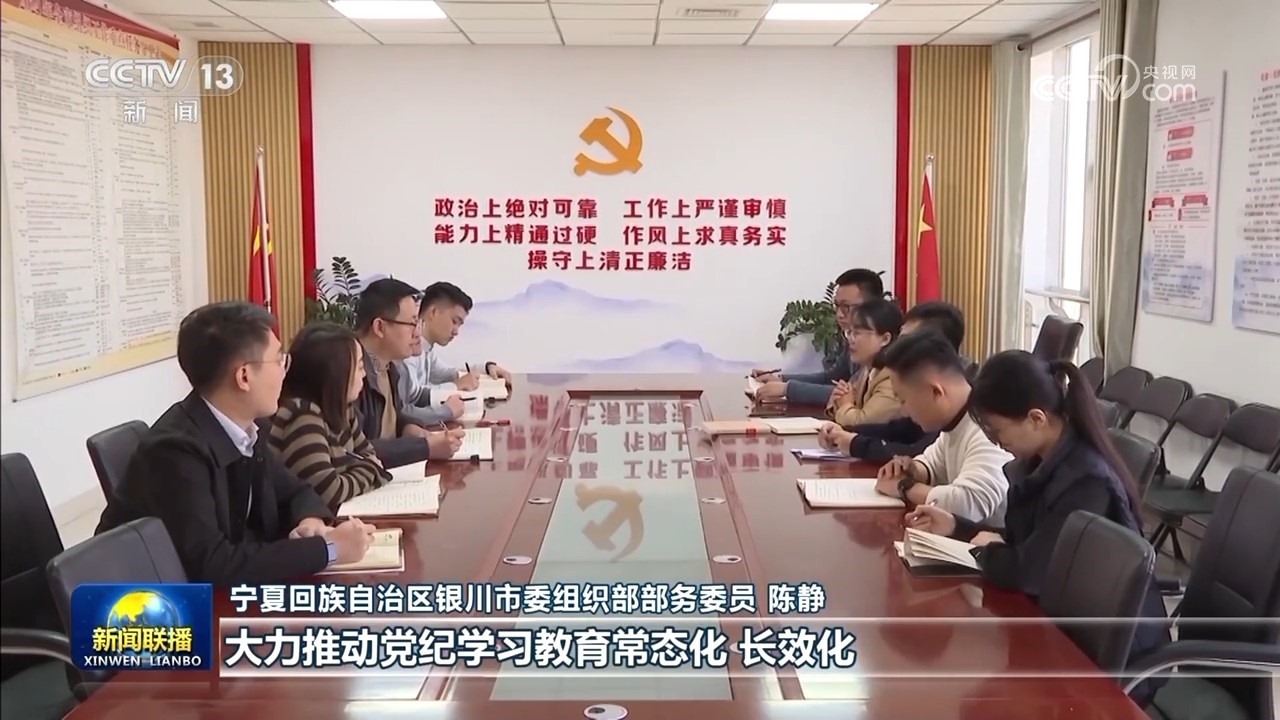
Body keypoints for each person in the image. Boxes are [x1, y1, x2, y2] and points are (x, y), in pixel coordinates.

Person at [905, 350, 1169, 698]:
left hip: (1109, 662)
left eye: (998, 431)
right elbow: (1032, 541)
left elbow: (1028, 571)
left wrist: (985, 552)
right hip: (1063, 628)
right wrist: (956, 527)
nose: (997, 443)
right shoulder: (1043, 461)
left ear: (1036, 419)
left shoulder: (1085, 482)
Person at [96, 302, 375, 586]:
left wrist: (309, 521)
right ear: (244, 377)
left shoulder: (246, 428)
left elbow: (295, 491)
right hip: (146, 605)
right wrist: (328, 550)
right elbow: (213, 564)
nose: (284, 372)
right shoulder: (175, 451)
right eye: (279, 360)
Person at [872, 330, 1012, 525]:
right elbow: (933, 464)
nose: (903, 411)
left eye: (903, 399)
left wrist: (904, 487)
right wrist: (912, 470)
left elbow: (969, 504)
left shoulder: (989, 427)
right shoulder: (956, 422)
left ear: (936, 391)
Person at [269, 322, 394, 513]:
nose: (364, 375)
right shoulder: (303, 416)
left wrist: (365, 468)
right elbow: (328, 493)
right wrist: (370, 470)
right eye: (360, 367)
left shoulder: (344, 409)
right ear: (337, 373)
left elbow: (368, 453)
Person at [819, 301, 965, 461]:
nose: (897, 346)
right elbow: (902, 429)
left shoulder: (972, 416)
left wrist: (854, 443)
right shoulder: (874, 371)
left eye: (906, 342)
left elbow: (916, 453)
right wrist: (844, 431)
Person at [354, 279, 463, 468]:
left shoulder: (390, 368)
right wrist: (425, 447)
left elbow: (396, 415)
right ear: (380, 327)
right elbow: (354, 451)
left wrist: (410, 428)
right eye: (412, 324)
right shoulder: (349, 374)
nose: (418, 333)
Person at [752, 268, 886, 404]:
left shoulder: (883, 346)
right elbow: (832, 377)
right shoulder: (851, 336)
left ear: (872, 307)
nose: (839, 314)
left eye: (846, 307)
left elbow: (853, 394)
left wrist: (788, 389)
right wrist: (781, 379)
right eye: (837, 306)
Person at [398, 282, 511, 425]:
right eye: (454, 321)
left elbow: (444, 373)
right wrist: (456, 386)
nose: (456, 331)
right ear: (433, 312)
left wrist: (486, 368)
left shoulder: (426, 349)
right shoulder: (407, 350)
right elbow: (414, 398)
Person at [825, 298, 904, 426]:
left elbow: (863, 424)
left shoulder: (892, 378)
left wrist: (845, 405)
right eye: (849, 332)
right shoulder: (868, 370)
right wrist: (838, 399)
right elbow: (850, 408)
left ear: (885, 339)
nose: (851, 340)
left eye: (857, 333)